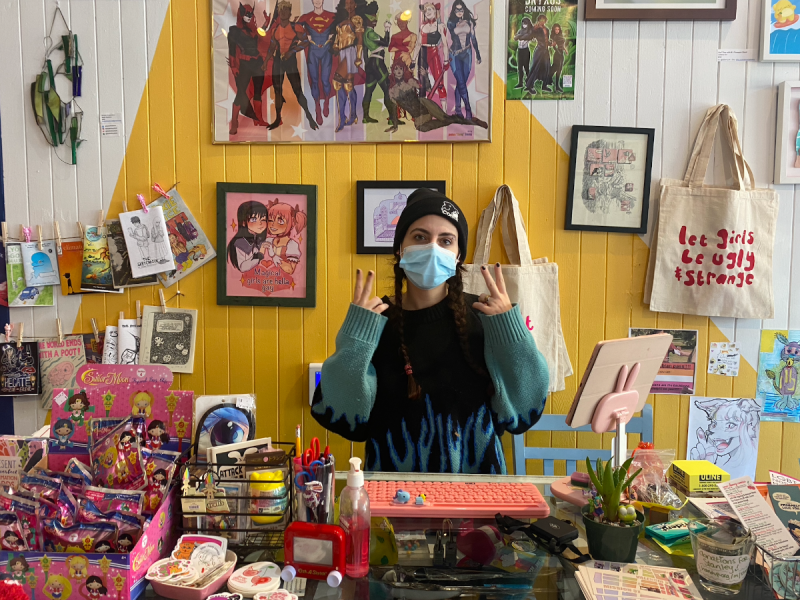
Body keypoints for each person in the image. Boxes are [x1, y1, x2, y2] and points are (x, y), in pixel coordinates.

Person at [312, 189, 549, 473]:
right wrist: (354, 339)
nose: (432, 248)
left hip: (478, 498)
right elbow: (342, 419)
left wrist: (511, 331)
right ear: (400, 248)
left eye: (445, 240)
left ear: (458, 254)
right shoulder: (374, 322)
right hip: (395, 499)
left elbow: (523, 416)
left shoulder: (486, 317)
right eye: (420, 237)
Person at [388, 59, 487, 132]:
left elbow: (428, 89)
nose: (399, 71)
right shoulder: (392, 91)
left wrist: (426, 76)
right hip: (419, 119)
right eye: (396, 69)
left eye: (401, 68)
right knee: (422, 128)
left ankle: (474, 122)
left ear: (404, 70)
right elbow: (393, 109)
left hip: (425, 105)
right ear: (393, 71)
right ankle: (464, 120)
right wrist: (395, 126)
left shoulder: (409, 82)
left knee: (445, 119)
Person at [267, 0, 320, 132]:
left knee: (297, 91)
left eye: (286, 10)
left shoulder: (295, 27)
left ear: (290, 12)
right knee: (278, 91)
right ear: (279, 13)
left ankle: (309, 116)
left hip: (290, 61)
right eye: (281, 10)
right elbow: (272, 47)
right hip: (278, 62)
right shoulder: (275, 30)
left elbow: (306, 42)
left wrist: (292, 51)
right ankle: (278, 118)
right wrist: (265, 62)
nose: (283, 12)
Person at [361, 1, 399, 130]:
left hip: (371, 63)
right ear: (367, 19)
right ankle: (392, 119)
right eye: (372, 18)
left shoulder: (365, 34)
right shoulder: (370, 33)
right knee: (388, 88)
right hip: (377, 62)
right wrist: (387, 29)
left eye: (375, 17)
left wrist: (367, 66)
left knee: (369, 90)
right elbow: (386, 43)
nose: (374, 20)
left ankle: (366, 117)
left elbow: (365, 52)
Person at [298, 0, 336, 125]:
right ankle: (317, 107)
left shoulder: (332, 16)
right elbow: (294, 27)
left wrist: (333, 36)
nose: (318, 1)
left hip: (326, 52)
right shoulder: (305, 17)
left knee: (325, 80)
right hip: (313, 52)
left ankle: (326, 102)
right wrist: (304, 36)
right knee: (314, 81)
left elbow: (341, 27)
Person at [447, 0, 480, 120]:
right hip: (455, 55)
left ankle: (457, 110)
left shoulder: (470, 22)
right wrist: (464, 23)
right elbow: (454, 33)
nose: (459, 12)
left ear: (464, 9)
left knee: (462, 84)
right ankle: (468, 110)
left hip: (467, 53)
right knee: (461, 83)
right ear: (454, 11)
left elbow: (473, 39)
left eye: (461, 9)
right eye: (457, 10)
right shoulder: (451, 22)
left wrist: (478, 54)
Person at [416, 2, 448, 110]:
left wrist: (446, 61)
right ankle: (423, 109)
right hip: (422, 53)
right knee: (421, 81)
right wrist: (412, 59)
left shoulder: (440, 26)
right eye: (425, 10)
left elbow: (445, 45)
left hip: (434, 53)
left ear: (435, 11)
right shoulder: (422, 26)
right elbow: (418, 44)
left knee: (439, 81)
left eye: (430, 9)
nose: (427, 12)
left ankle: (444, 110)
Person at [524, 14, 550, 96]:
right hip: (539, 50)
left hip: (546, 50)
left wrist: (551, 43)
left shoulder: (547, 29)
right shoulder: (537, 29)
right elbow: (531, 34)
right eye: (540, 20)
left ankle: (544, 85)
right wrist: (533, 28)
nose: (542, 21)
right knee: (535, 67)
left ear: (545, 20)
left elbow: (547, 40)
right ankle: (529, 86)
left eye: (543, 20)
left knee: (547, 67)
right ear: (538, 21)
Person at [513, 17, 534, 90]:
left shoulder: (530, 31)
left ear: (528, 24)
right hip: (520, 50)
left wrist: (519, 37)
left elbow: (527, 37)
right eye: (523, 23)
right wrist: (520, 36)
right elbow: (515, 38)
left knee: (526, 68)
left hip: (525, 50)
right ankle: (520, 83)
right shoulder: (520, 30)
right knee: (519, 67)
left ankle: (529, 83)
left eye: (525, 23)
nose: (524, 25)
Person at [548, 23, 567, 93]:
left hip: (561, 54)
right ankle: (556, 86)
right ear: (553, 30)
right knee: (556, 69)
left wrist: (565, 50)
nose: (557, 30)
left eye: (558, 29)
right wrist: (557, 51)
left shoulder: (560, 36)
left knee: (558, 69)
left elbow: (562, 45)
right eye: (555, 29)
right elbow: (553, 45)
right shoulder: (554, 36)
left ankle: (552, 81)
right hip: (557, 54)